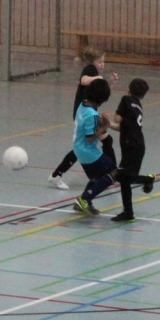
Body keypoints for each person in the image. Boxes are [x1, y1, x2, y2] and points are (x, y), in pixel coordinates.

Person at [48, 46, 118, 189]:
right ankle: (112, 173)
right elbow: (84, 80)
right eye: (99, 62)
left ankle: (112, 173)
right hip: (84, 113)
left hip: (86, 112)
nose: (102, 65)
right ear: (92, 62)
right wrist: (98, 78)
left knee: (92, 144)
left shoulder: (95, 74)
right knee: (82, 146)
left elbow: (101, 93)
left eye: (103, 62)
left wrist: (110, 84)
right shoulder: (90, 69)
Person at [71, 78, 122, 216]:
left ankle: (84, 202)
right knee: (114, 173)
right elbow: (90, 137)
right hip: (87, 151)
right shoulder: (92, 114)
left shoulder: (83, 105)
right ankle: (84, 199)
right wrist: (104, 126)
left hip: (79, 149)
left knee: (97, 177)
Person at [109, 78, 156, 222]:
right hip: (138, 146)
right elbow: (123, 127)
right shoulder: (138, 106)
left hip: (131, 146)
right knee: (125, 180)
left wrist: (113, 116)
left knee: (123, 177)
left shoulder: (126, 99)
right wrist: (107, 125)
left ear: (128, 88)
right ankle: (128, 212)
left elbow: (117, 119)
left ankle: (147, 179)